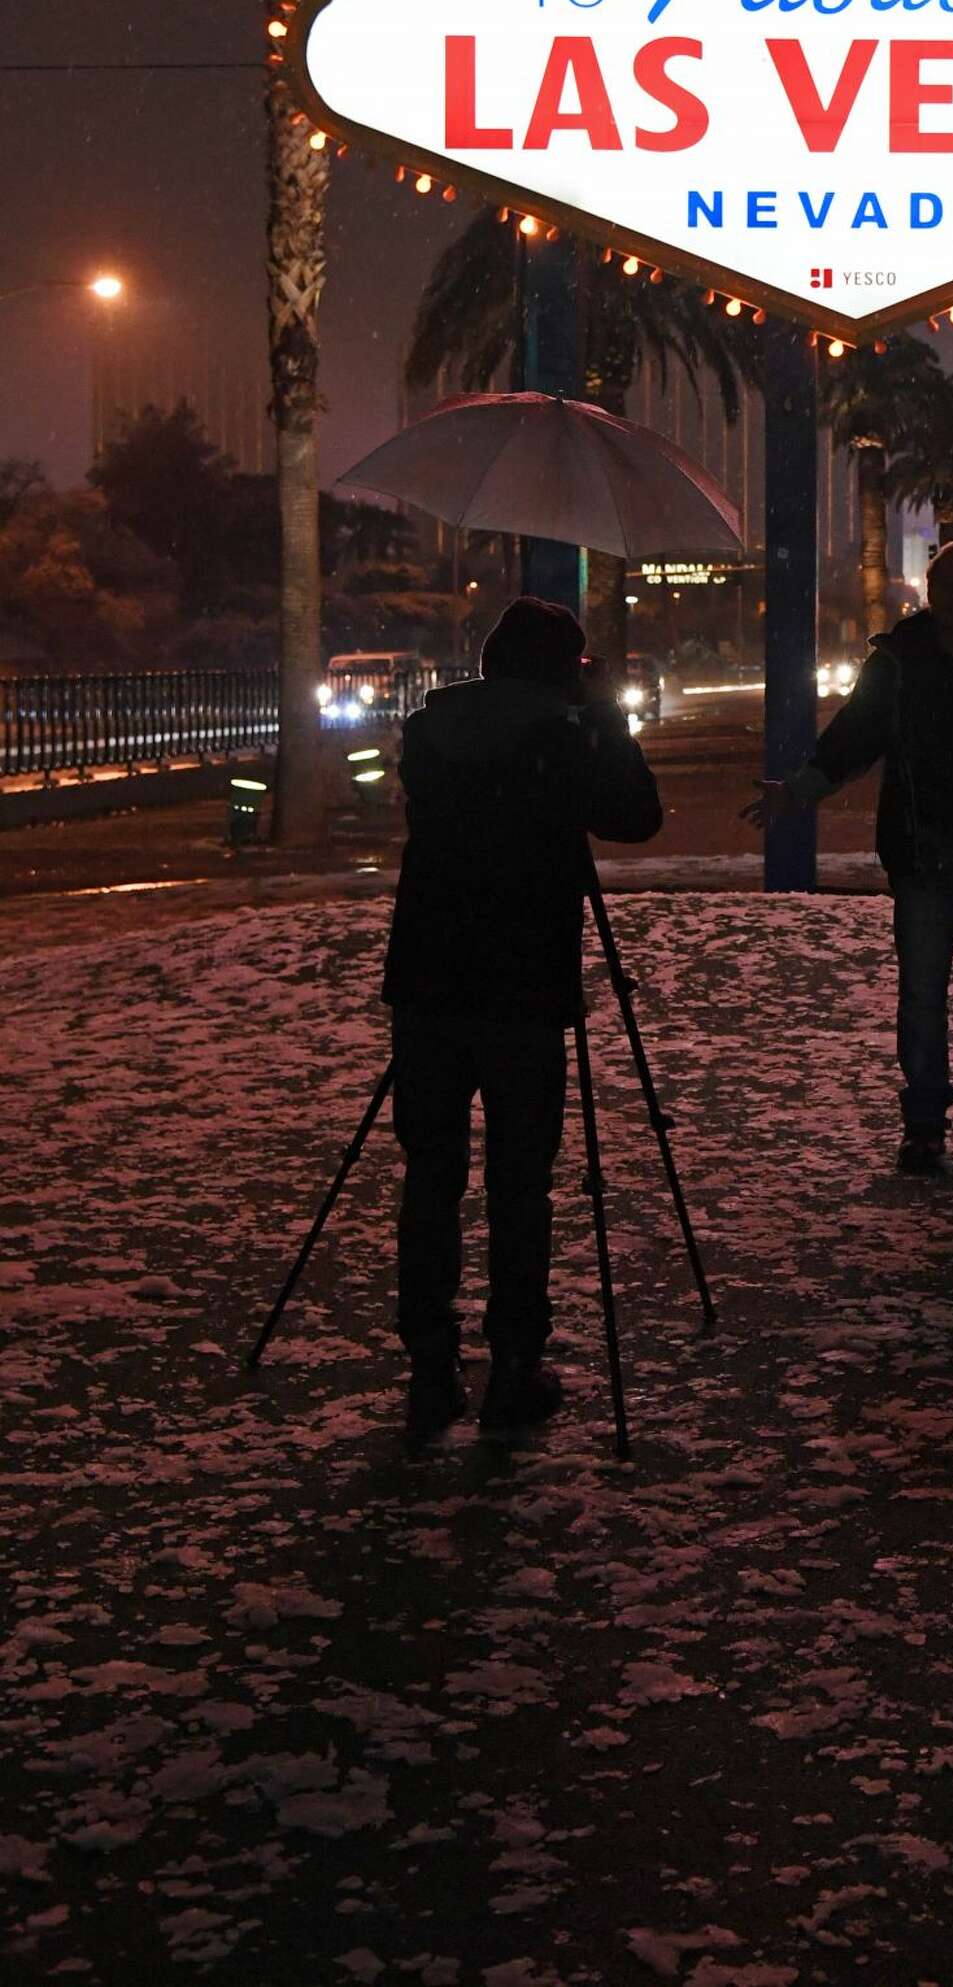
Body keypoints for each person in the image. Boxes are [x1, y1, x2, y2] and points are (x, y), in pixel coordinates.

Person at [382, 596, 663, 1440]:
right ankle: (514, 1368)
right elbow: (636, 815)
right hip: (525, 988)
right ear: (560, 669)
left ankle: (430, 1366)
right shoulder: (560, 735)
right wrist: (603, 716)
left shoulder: (429, 731)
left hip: (428, 983)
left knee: (430, 1177)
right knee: (519, 1185)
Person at [748, 541, 953, 1176]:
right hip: (930, 855)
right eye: (947, 588)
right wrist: (799, 791)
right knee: (933, 995)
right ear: (931, 592)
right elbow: (852, 737)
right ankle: (932, 1125)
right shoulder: (914, 664)